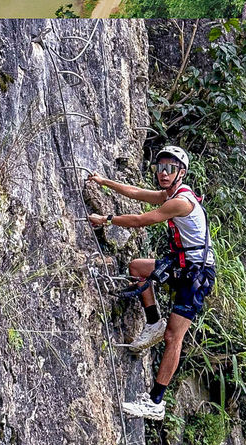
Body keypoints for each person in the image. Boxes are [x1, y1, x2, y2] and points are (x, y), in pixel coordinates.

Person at [88, 146, 215, 421]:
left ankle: (156, 402)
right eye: (160, 168)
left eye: (170, 168)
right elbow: (135, 192)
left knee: (173, 337)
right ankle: (152, 321)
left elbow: (142, 220)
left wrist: (106, 220)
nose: (164, 173)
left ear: (181, 172)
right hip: (182, 266)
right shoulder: (168, 195)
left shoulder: (181, 201)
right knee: (137, 268)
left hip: (198, 275)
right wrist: (103, 182)